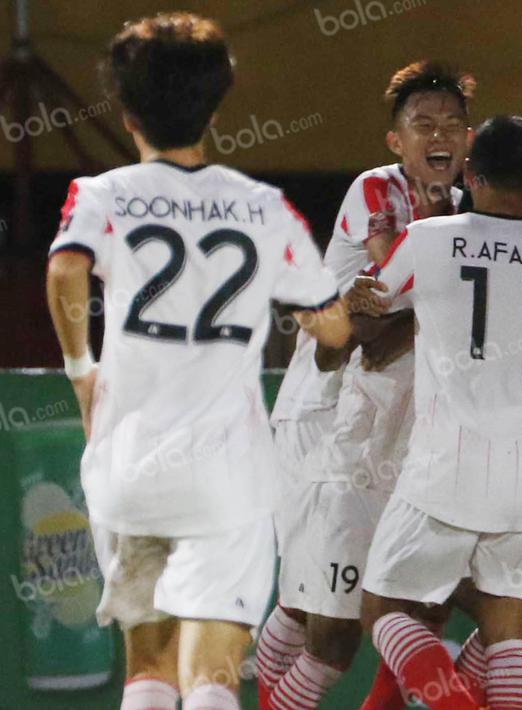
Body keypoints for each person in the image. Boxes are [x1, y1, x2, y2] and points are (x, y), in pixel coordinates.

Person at [45, 13, 349, 710]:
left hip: (128, 460)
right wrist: (316, 306)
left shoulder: (102, 194)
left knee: (146, 666)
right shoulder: (262, 208)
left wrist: (80, 371)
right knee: (211, 674)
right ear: (220, 97)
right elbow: (332, 329)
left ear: (124, 111)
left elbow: (65, 269)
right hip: (226, 473)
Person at [255, 61, 478, 710]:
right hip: (325, 417)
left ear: (467, 139)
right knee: (324, 627)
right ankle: (261, 691)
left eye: (451, 124)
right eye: (422, 124)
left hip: (398, 420)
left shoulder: (466, 207)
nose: (438, 135)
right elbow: (399, 290)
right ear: (396, 142)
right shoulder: (377, 190)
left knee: (416, 606)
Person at [358, 115, 522, 710]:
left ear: (469, 172)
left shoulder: (430, 239)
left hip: (447, 462)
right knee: (506, 632)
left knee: (383, 609)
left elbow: (375, 304)